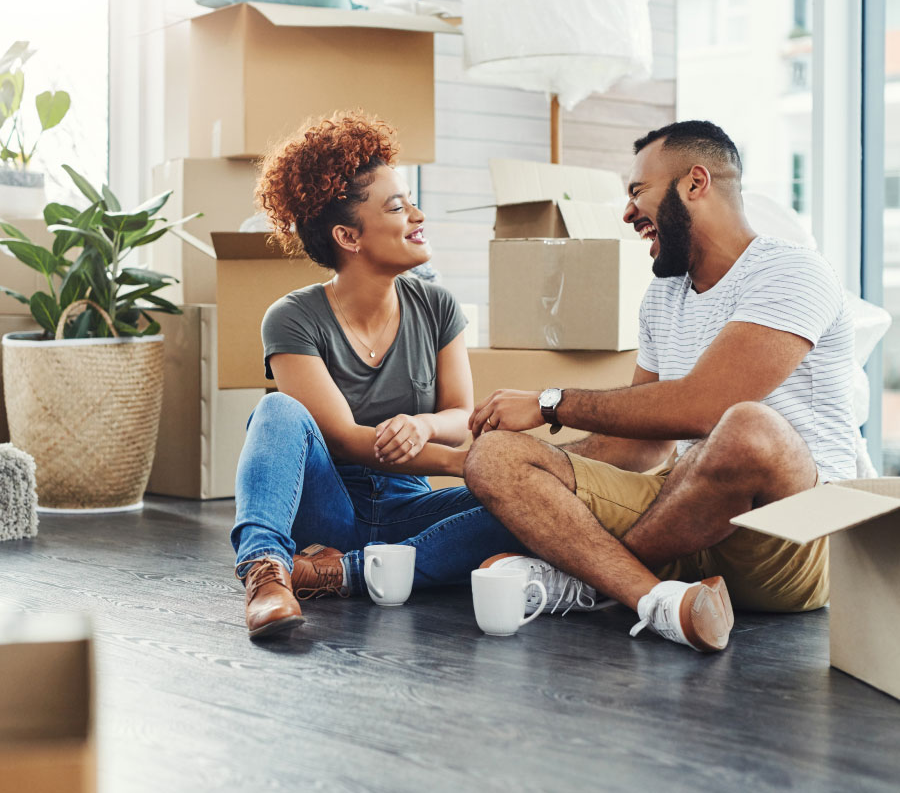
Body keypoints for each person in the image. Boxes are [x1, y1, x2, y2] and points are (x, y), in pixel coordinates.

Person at [463, 120, 856, 653]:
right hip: (685, 517)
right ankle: (658, 600)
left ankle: (594, 583)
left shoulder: (791, 272)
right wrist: (531, 464)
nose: (627, 212)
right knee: (494, 458)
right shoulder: (663, 298)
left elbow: (705, 409)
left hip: (794, 532)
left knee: (748, 428)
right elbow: (638, 446)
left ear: (695, 183)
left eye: (636, 191)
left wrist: (551, 403)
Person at [231, 111, 532, 638]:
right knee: (275, 409)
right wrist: (467, 467)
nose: (418, 214)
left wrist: (425, 427)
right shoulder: (292, 317)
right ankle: (266, 573)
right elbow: (344, 441)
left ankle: (338, 573)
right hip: (326, 509)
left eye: (412, 201)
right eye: (398, 206)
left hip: (406, 505)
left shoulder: (437, 306)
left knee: (533, 504)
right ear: (349, 236)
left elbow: (461, 415)